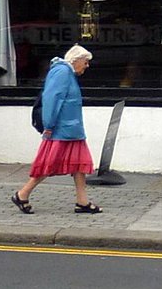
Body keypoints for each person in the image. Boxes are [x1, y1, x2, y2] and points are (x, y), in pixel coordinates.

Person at [11, 44, 102, 214]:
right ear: (76, 60)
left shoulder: (69, 74)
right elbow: (52, 100)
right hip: (60, 130)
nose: (87, 66)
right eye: (86, 62)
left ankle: (82, 202)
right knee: (49, 165)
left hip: (72, 130)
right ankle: (22, 194)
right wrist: (49, 126)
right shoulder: (62, 72)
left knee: (80, 165)